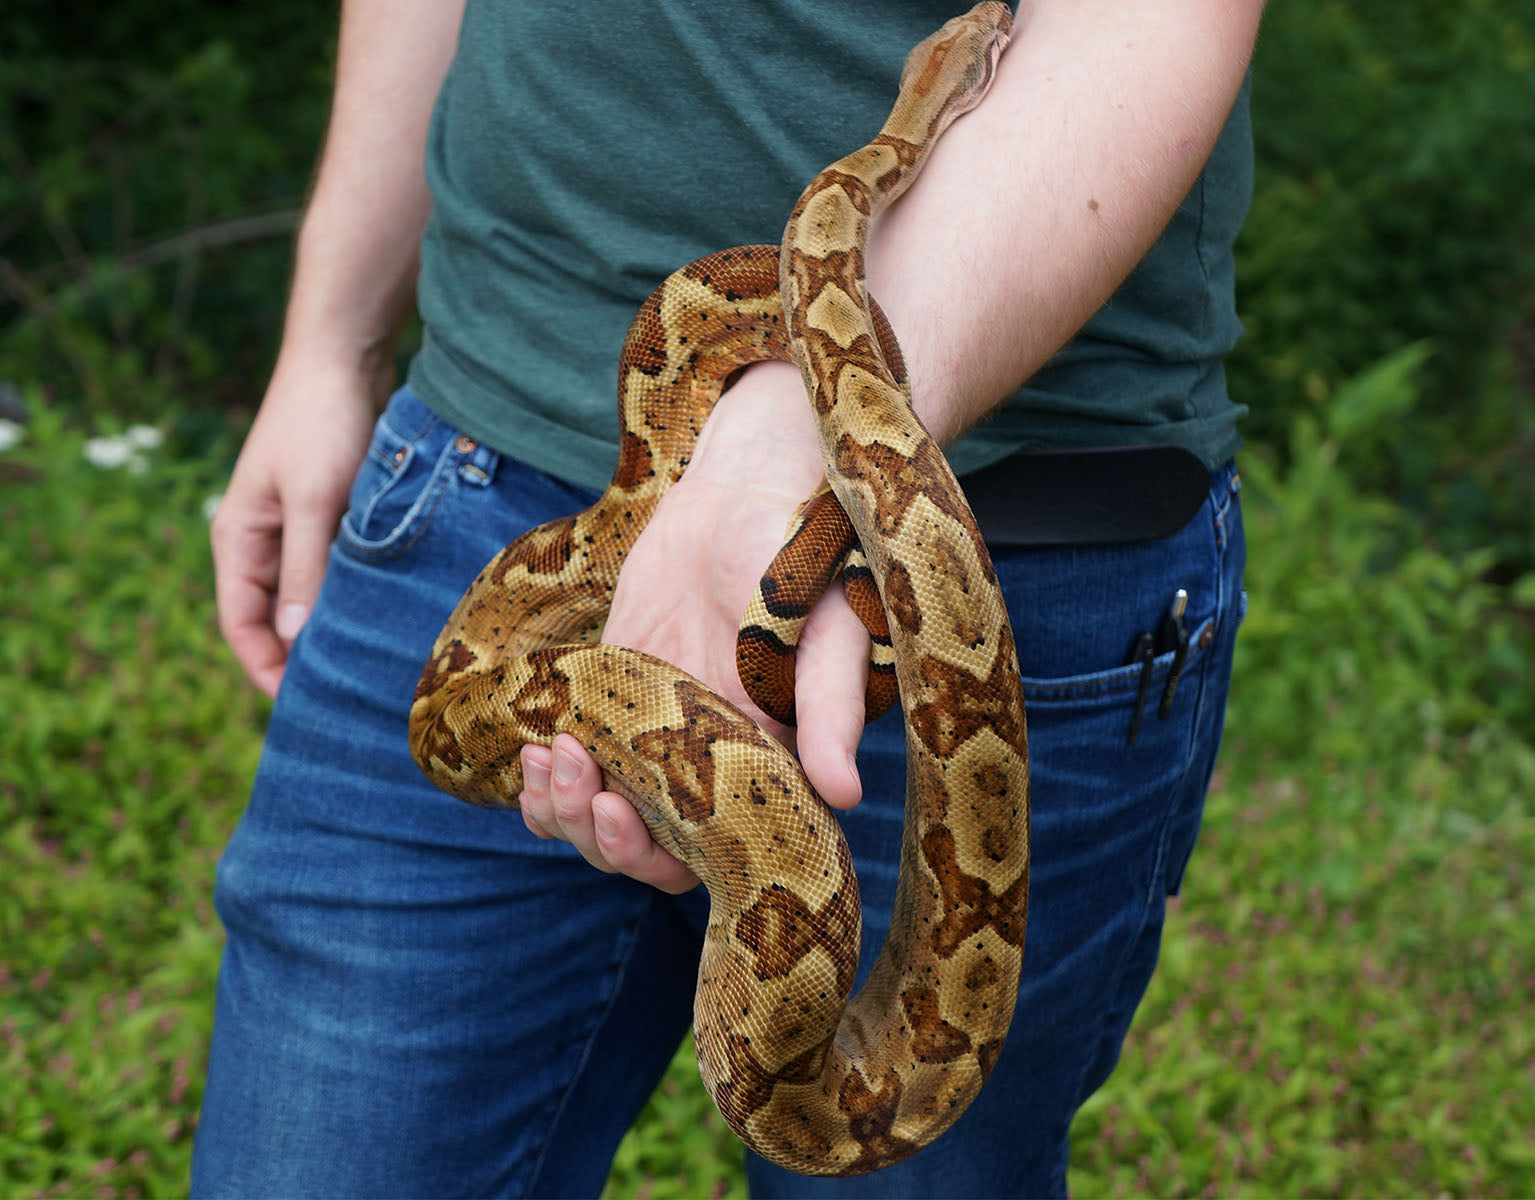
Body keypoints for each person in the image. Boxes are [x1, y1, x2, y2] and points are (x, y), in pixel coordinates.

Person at [195, 1, 1262, 1195]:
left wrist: (779, 448)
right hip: (481, 471)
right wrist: (328, 342)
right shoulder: (840, 202)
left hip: (1014, 546)